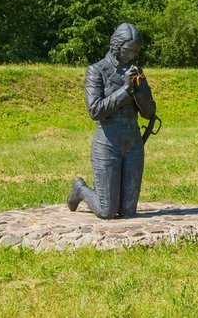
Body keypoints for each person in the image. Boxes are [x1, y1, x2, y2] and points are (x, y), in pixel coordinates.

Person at [67, 23, 156, 219]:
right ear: (116, 45)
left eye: (136, 51)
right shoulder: (96, 70)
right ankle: (81, 189)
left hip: (132, 143)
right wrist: (125, 90)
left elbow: (149, 113)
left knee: (128, 212)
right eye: (128, 49)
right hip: (108, 144)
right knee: (107, 211)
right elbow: (95, 110)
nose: (132, 55)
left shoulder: (136, 72)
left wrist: (139, 89)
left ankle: (101, 194)